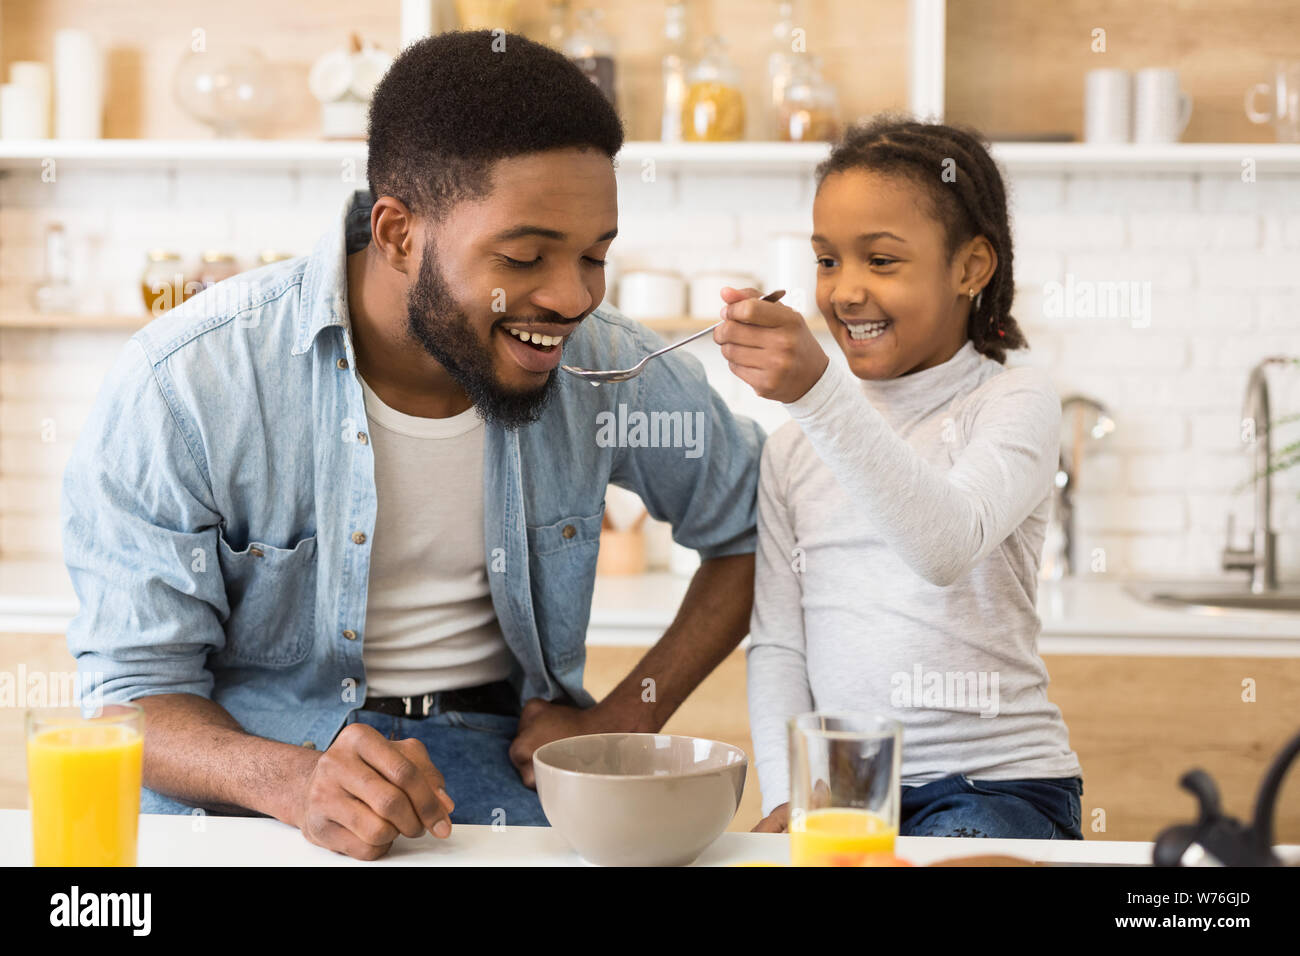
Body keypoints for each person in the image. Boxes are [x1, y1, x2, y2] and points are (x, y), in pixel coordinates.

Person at [61, 31, 763, 860]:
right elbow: (135, 698)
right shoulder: (189, 383)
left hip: (501, 762)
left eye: (595, 256)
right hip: (250, 777)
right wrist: (293, 781)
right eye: (526, 256)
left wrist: (626, 716)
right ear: (397, 234)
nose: (572, 297)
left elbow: (753, 526)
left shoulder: (602, 361)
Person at [718, 116, 1084, 840]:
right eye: (827, 261)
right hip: (846, 791)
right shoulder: (794, 447)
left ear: (970, 268)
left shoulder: (1013, 402)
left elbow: (946, 545)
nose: (846, 291)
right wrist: (796, 794)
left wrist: (818, 394)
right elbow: (780, 646)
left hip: (994, 785)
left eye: (880, 261)